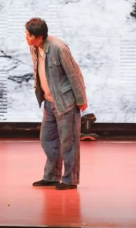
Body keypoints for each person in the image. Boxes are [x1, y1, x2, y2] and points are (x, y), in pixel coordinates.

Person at [25, 18, 88, 190]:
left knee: (69, 143)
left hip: (65, 102)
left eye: (29, 35)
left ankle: (70, 180)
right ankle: (52, 176)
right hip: (48, 102)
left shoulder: (59, 48)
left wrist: (81, 99)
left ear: (39, 37)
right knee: (47, 140)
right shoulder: (34, 47)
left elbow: (74, 74)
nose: (26, 37)